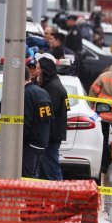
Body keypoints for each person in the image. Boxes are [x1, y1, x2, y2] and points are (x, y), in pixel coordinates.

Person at [37, 53, 69, 181]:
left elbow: (48, 114)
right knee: (45, 169)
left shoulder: (53, 88)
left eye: (39, 68)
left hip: (51, 136)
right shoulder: (53, 84)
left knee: (51, 169)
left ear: (45, 70)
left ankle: (59, 195)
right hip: (50, 135)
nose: (37, 71)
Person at [22, 66, 53, 178]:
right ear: (29, 75)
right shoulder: (43, 92)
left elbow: (25, 121)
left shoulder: (25, 94)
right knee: (34, 176)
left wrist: (20, 141)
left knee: (27, 178)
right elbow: (48, 118)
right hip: (41, 142)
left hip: (29, 144)